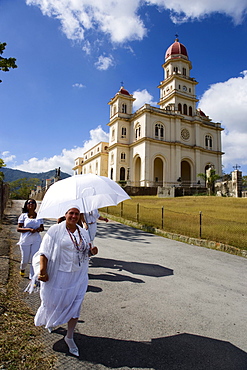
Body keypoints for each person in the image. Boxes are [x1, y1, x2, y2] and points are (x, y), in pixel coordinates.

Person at [34, 205, 98, 357]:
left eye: (77, 214)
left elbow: (85, 252)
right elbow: (44, 251)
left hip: (78, 275)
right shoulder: (55, 231)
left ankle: (69, 337)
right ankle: (50, 320)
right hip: (59, 274)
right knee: (53, 302)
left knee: (75, 305)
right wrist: (42, 271)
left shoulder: (83, 232)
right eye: (71, 213)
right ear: (66, 214)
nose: (74, 216)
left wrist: (92, 252)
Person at [17, 199, 44, 279]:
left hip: (36, 240)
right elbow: (18, 229)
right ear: (26, 205)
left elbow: (42, 227)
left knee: (34, 259)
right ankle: (22, 268)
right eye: (29, 203)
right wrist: (29, 229)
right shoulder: (23, 216)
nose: (31, 204)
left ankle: (32, 277)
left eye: (33, 203)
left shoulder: (39, 216)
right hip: (25, 240)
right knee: (25, 259)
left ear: (36, 205)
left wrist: (38, 229)